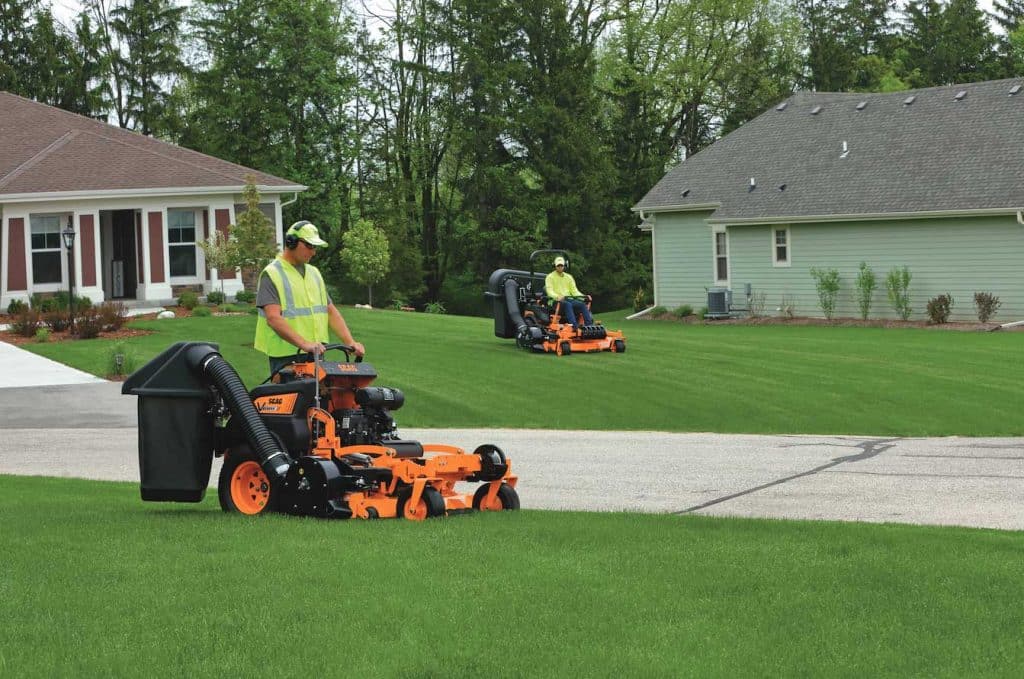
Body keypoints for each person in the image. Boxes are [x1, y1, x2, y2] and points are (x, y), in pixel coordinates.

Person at [255, 220, 365, 373]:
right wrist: (304, 344)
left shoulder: (314, 273)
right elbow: (273, 318)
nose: (313, 252)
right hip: (285, 358)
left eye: (315, 247)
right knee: (292, 397)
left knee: (320, 397)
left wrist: (350, 342)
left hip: (315, 353)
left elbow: (330, 311)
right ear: (291, 242)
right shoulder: (272, 274)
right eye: (309, 246)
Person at [545, 255, 593, 331]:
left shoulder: (569, 277)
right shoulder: (550, 277)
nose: (560, 267)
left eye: (561, 265)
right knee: (568, 304)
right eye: (558, 265)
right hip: (555, 302)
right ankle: (574, 327)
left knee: (582, 305)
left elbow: (574, 291)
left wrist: (583, 297)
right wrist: (557, 296)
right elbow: (549, 291)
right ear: (554, 266)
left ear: (565, 266)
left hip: (568, 300)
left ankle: (590, 327)